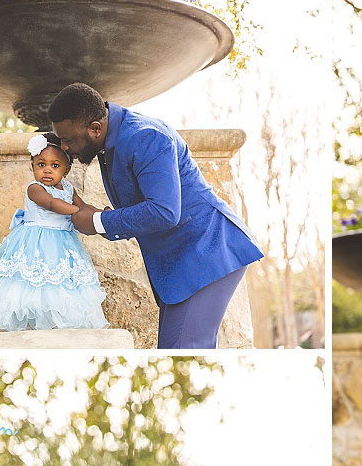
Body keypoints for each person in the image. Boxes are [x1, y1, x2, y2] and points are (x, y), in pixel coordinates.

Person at [47, 83, 264, 349]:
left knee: (182, 350)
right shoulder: (109, 137)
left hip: (207, 251)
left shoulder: (146, 137)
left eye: (68, 140)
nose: (65, 147)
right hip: (185, 258)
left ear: (95, 128)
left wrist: (97, 222)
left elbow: (164, 211)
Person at [0, 133, 109, 331]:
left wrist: (98, 215)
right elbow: (52, 204)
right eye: (41, 164)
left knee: (61, 283)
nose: (47, 170)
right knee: (35, 282)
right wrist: (80, 213)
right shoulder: (35, 188)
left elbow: (83, 206)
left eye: (55, 166)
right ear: (32, 166)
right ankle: (36, 325)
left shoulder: (68, 188)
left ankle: (57, 325)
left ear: (66, 170)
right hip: (36, 243)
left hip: (63, 243)